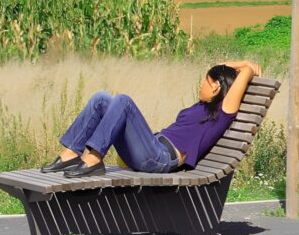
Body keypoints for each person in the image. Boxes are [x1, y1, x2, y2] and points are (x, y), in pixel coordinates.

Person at [45, 61, 259, 178]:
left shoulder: (223, 112)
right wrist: (236, 63)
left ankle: (93, 158)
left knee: (123, 101)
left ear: (216, 87)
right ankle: (71, 153)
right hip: (151, 147)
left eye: (205, 81)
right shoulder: (203, 107)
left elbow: (247, 71)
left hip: (160, 158)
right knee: (101, 98)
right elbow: (217, 65)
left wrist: (247, 65)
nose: (200, 85)